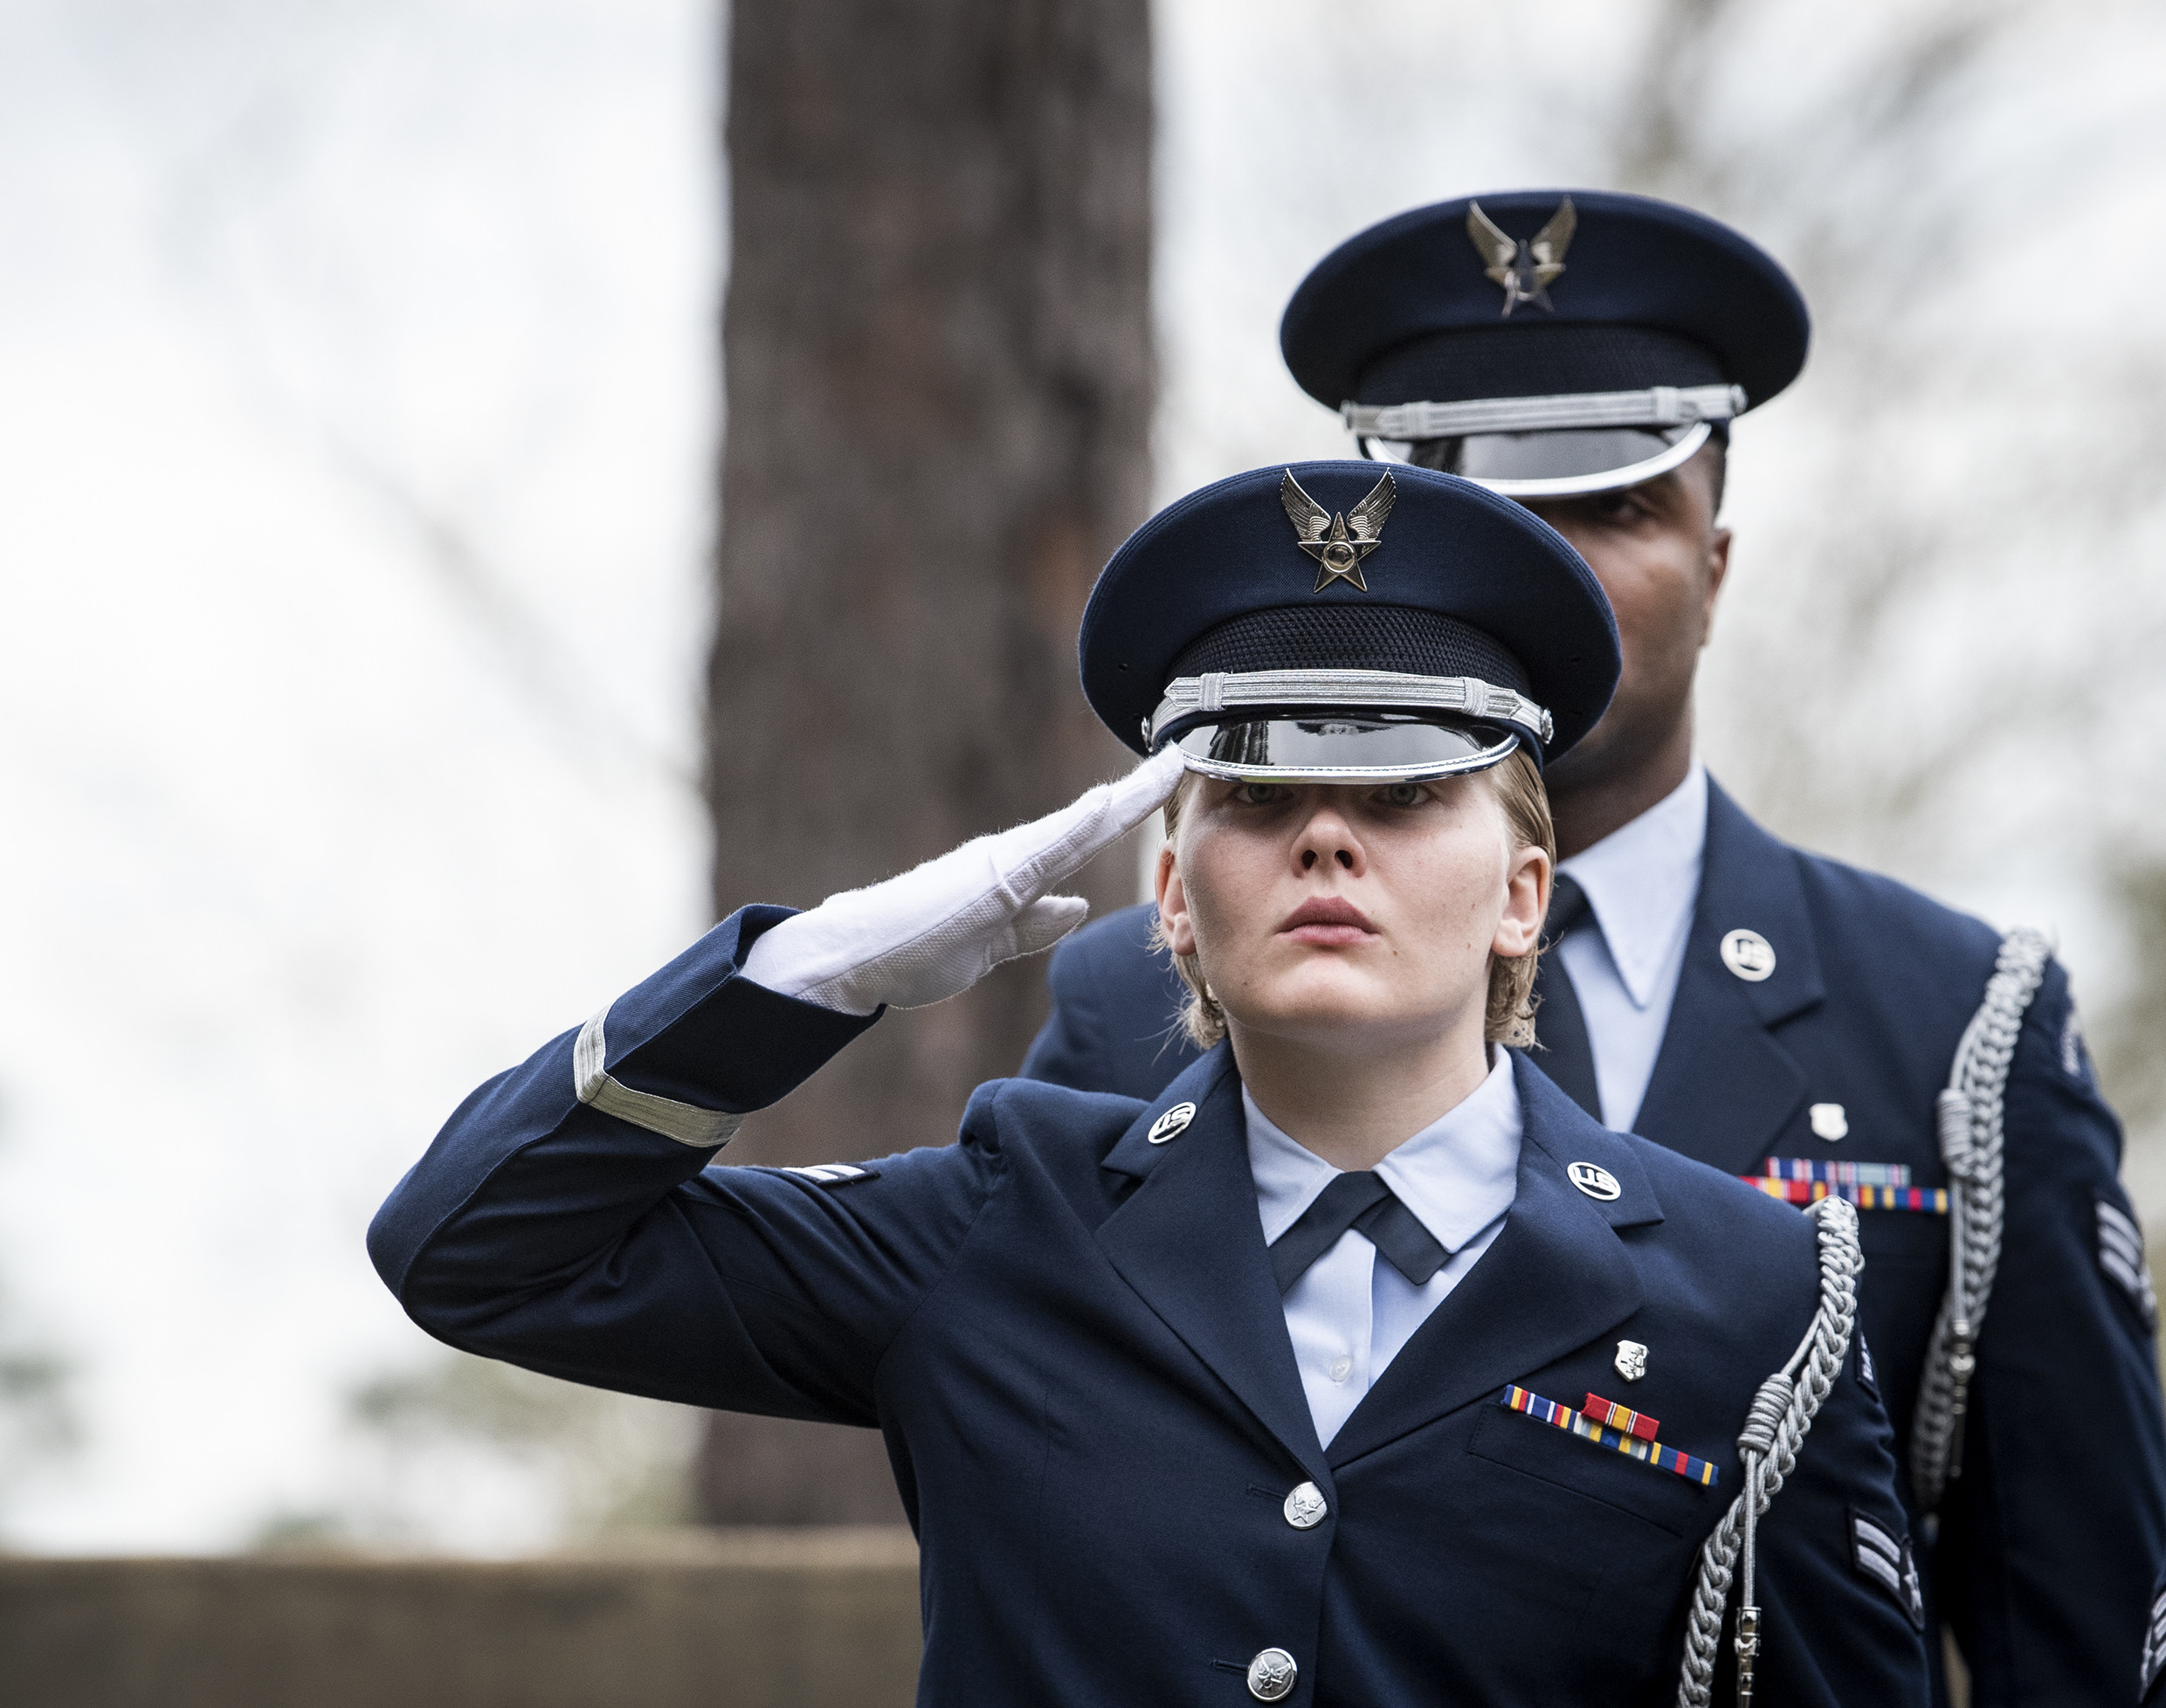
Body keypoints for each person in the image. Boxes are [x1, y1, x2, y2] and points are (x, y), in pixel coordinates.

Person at [370, 460, 1927, 1707]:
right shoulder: (999, 1221)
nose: (1328, 836)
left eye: (1406, 790)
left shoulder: (1755, 1292)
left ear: (1524, 891)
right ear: (1172, 894)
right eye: (1255, 790)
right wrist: (804, 978)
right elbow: (473, 1252)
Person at [1017, 190, 2166, 1705]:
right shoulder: (1124, 1009)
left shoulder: (1952, 1026)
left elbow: (2076, 1631)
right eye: (1477, 510)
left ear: (1720, 560)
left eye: (1615, 507)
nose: (1543, 574)